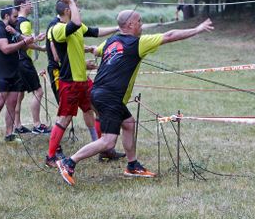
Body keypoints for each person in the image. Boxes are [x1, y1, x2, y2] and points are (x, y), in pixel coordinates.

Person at [56, 10, 214, 186]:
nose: (142, 24)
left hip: (98, 93)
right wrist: (197, 29)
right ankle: (69, 162)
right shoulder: (138, 43)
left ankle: (132, 165)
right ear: (130, 24)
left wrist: (88, 49)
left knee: (129, 123)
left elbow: (97, 51)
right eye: (139, 21)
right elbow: (169, 35)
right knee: (108, 141)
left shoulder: (110, 41)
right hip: (109, 96)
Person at [44, 0, 121, 167]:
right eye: (74, 7)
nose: (77, 10)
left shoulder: (76, 26)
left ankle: (105, 150)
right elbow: (75, 24)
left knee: (99, 109)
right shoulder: (57, 28)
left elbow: (94, 31)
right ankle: (50, 157)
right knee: (65, 118)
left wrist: (117, 29)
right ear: (66, 10)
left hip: (83, 81)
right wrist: (70, 1)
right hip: (70, 82)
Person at [0, 5, 34, 144]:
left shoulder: (13, 28)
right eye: (15, 16)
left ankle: (9, 134)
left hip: (14, 70)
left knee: (12, 103)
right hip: (1, 72)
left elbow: (23, 45)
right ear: (6, 16)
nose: (17, 19)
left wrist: (25, 39)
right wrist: (24, 41)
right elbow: (5, 49)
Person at [11, 0, 50, 135]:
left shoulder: (14, 21)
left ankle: (17, 125)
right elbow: (27, 43)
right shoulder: (25, 22)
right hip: (23, 61)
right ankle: (37, 125)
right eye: (29, 3)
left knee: (19, 95)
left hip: (15, 61)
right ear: (22, 6)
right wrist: (43, 48)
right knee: (38, 92)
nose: (32, 5)